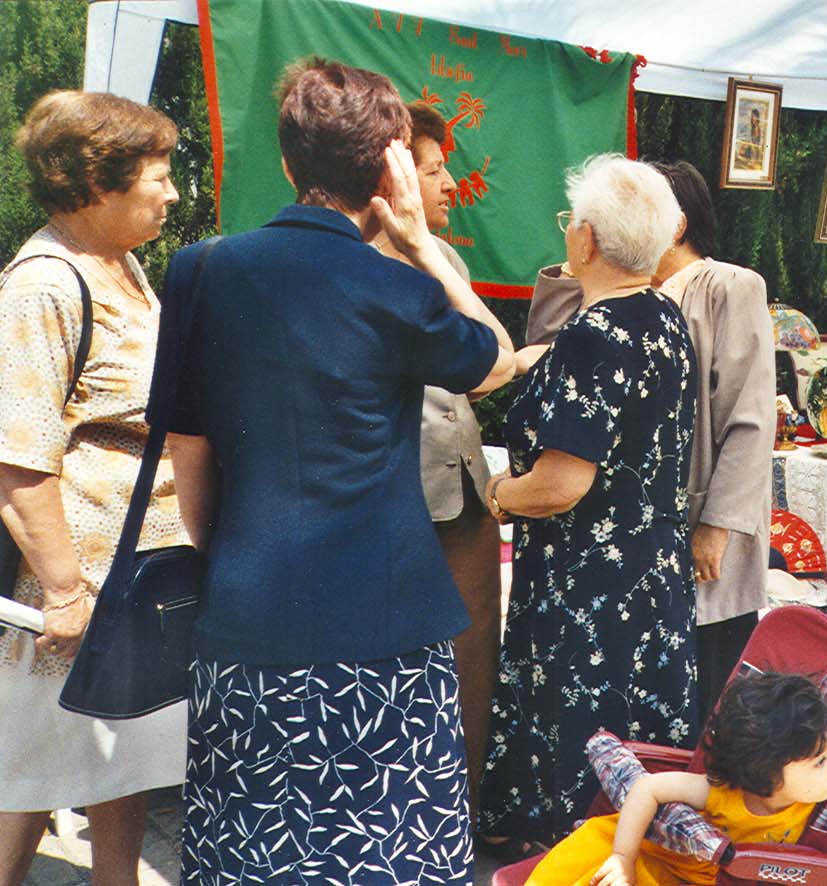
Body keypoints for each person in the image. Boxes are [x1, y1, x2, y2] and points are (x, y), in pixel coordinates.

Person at [162, 58, 514, 883]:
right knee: (388, 848)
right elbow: (495, 359)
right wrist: (421, 243)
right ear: (389, 170)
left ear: (289, 162)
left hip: (249, 605)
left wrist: (226, 550)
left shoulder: (202, 270)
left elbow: (189, 447)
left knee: (253, 849)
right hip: (385, 621)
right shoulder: (396, 286)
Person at [478, 154, 697, 850]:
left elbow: (561, 484)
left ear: (588, 239)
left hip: (590, 588)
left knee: (583, 760)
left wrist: (501, 495)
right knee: (636, 754)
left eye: (570, 222)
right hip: (652, 575)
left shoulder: (594, 335)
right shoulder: (664, 316)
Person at [0, 90, 188, 885]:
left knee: (118, 761)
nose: (173, 192)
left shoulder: (121, 264)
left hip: (131, 581)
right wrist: (64, 591)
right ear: (96, 181)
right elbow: (18, 459)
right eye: (158, 175)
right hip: (76, 593)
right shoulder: (44, 285)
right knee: (30, 772)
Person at [525, 160, 775, 723]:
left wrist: (717, 527)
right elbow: (547, 352)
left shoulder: (730, 286)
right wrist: (577, 259)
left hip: (704, 530)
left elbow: (751, 420)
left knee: (700, 690)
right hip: (630, 538)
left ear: (676, 223)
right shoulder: (618, 294)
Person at [370, 100, 500, 819]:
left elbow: (484, 368)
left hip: (467, 498)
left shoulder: (445, 259)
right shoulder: (355, 265)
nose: (450, 183)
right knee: (400, 667)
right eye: (433, 169)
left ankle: (464, 816)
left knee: (473, 661)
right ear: (392, 179)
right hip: (395, 501)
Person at [524, 672, 827, 886]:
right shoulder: (722, 792)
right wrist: (623, 857)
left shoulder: (817, 808)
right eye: (820, 761)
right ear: (765, 770)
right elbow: (647, 788)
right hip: (651, 854)